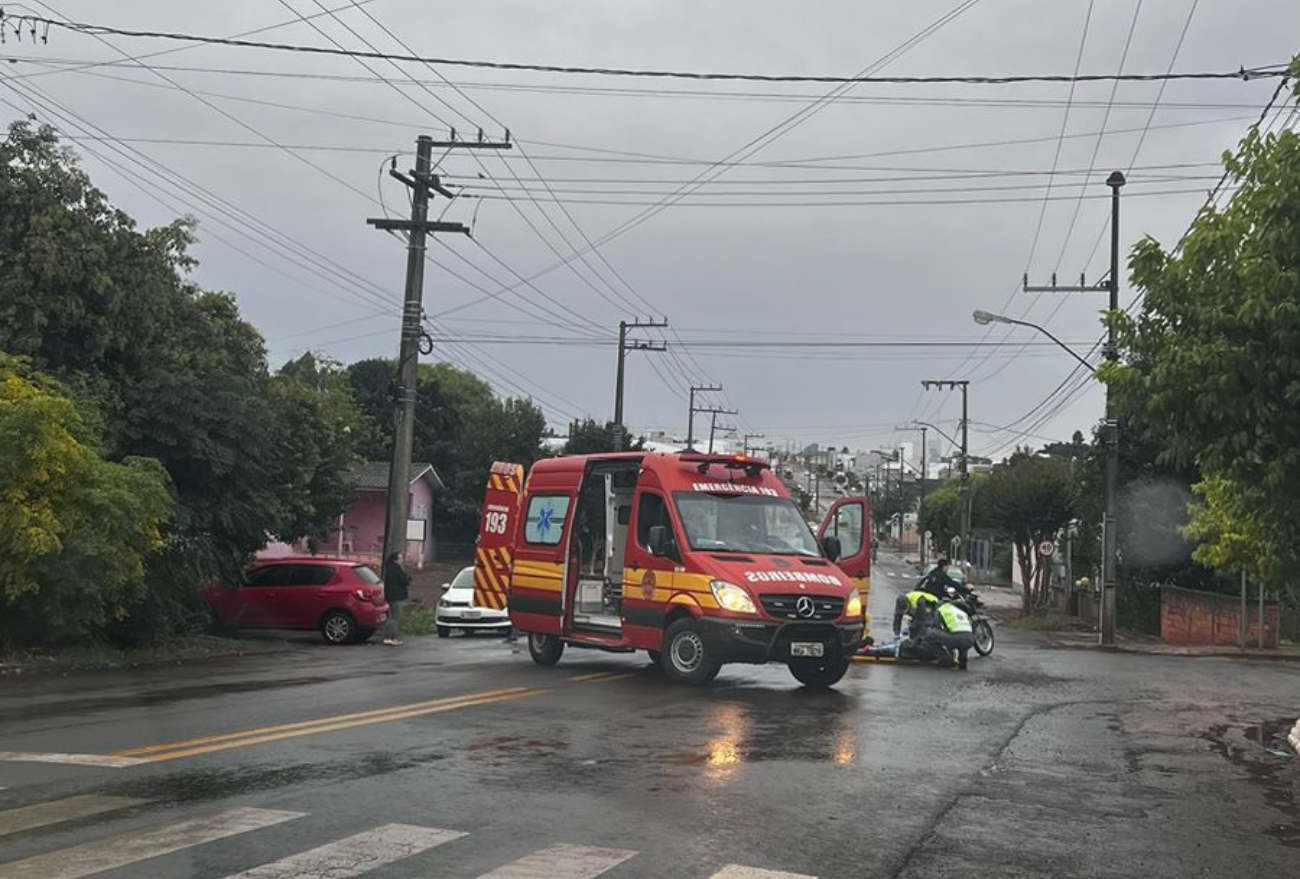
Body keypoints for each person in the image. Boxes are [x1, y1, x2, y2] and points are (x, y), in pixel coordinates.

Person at [923, 599, 976, 669]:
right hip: (971, 639)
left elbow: (937, 626)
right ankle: (962, 660)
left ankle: (945, 660)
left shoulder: (941, 610)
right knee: (962, 635)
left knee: (930, 634)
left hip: (957, 638)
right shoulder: (959, 611)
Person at [381, 551, 410, 646]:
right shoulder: (395, 569)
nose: (402, 560)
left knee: (392, 616)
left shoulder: (390, 569)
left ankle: (388, 636)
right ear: (395, 560)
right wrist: (407, 578)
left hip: (391, 596)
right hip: (396, 596)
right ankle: (390, 637)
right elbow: (403, 581)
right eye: (400, 558)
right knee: (395, 617)